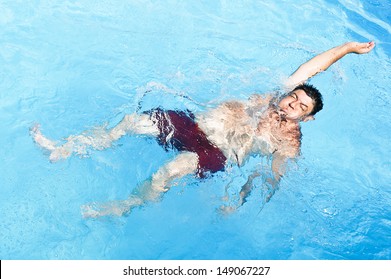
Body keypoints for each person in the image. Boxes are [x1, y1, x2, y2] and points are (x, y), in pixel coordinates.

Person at [31, 41, 375, 218]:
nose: (292, 105)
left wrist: (241, 200)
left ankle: (123, 206)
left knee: (168, 172)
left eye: (302, 107)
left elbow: (275, 174)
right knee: (130, 122)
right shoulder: (271, 96)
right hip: (193, 124)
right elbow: (310, 68)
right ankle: (66, 149)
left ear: (308, 118)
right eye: (294, 98)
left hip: (213, 154)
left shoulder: (289, 140)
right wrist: (346, 49)